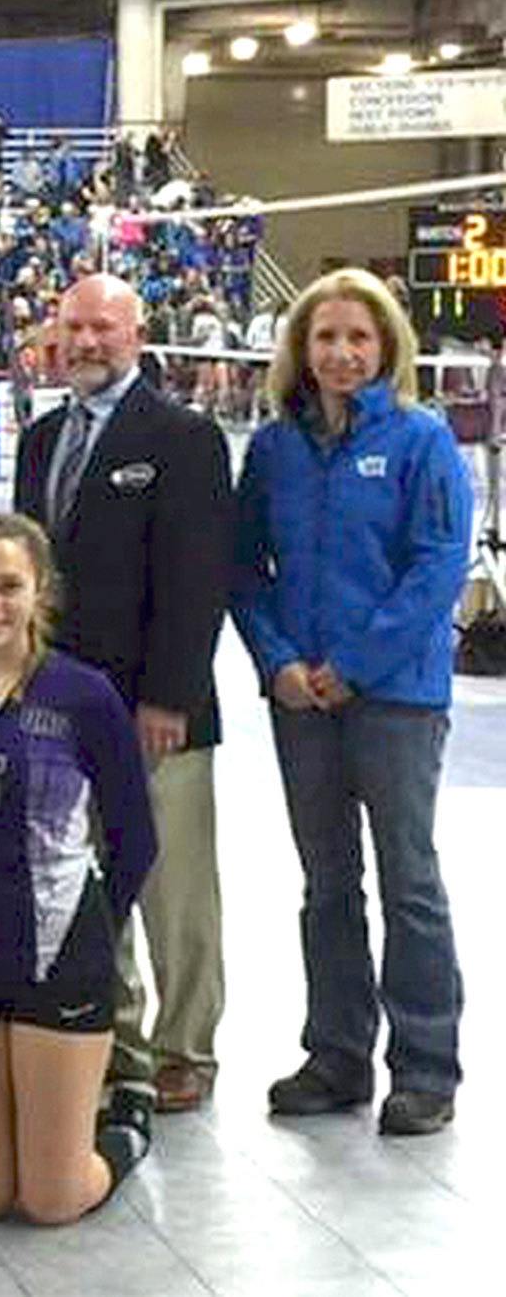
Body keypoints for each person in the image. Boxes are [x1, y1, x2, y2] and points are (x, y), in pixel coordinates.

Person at [232, 268, 470, 1137]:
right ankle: (336, 1054)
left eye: (357, 339)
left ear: (385, 349)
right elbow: (244, 570)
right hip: (302, 701)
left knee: (409, 880)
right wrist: (281, 662)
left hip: (397, 698)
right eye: (325, 337)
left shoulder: (421, 441)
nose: (340, 353)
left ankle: (426, 1066)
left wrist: (357, 665)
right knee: (327, 880)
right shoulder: (272, 449)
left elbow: (438, 563)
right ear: (302, 348)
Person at [14, 273, 233, 1118]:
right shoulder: (40, 441)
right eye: (75, 328)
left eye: (105, 327)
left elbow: (197, 579)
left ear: (138, 333)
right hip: (62, 711)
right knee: (86, 879)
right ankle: (116, 1035)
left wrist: (170, 699)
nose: (88, 342)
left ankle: (185, 1046)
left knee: (171, 884)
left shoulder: (182, 437)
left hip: (156, 711)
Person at [0, 512, 157, 1224]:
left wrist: (100, 926)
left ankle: (124, 1131)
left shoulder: (84, 694)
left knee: (49, 1203)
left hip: (59, 954)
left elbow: (134, 834)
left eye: (8, 586)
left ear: (40, 589)